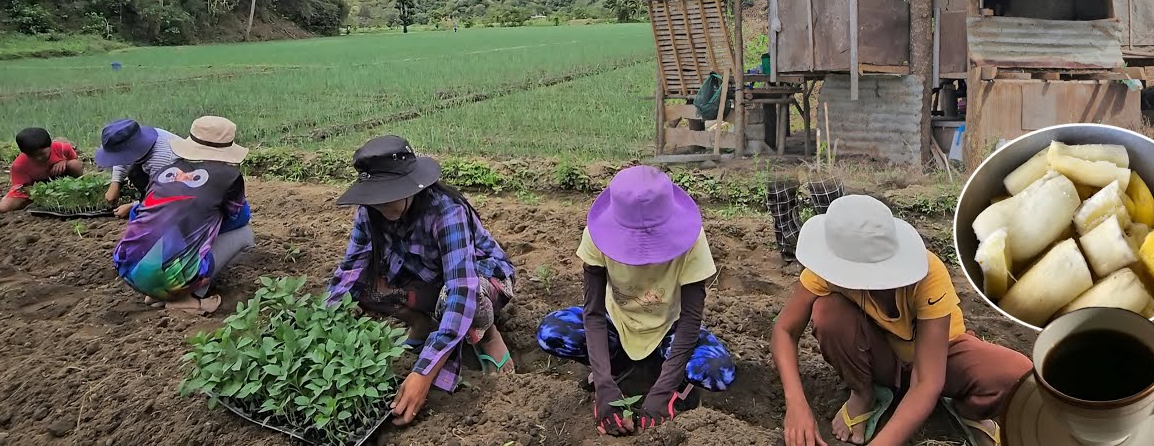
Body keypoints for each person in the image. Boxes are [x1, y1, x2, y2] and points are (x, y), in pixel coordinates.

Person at [771, 195, 1031, 446]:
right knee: (828, 312)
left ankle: (969, 412)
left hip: (937, 358)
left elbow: (927, 380)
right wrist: (796, 405)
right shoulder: (825, 272)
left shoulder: (928, 274)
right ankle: (863, 394)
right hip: (879, 357)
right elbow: (785, 330)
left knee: (1018, 376)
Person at [326, 135, 516, 428]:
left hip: (478, 280)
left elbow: (461, 289)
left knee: (465, 299)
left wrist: (423, 373)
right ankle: (423, 324)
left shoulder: (445, 210)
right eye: (377, 197)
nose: (383, 204)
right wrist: (320, 329)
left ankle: (490, 340)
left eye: (389, 194)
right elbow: (349, 270)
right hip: (424, 280)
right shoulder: (369, 212)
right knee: (360, 289)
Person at [536, 165, 737, 436]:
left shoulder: (692, 239)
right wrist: (604, 386)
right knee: (552, 332)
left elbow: (690, 318)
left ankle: (667, 379)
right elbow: (593, 313)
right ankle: (618, 372)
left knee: (717, 372)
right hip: (617, 325)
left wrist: (663, 392)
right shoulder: (597, 235)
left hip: (670, 330)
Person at [112, 116, 256, 315]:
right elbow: (239, 218)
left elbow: (140, 213)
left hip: (126, 268)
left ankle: (156, 293)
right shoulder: (229, 177)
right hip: (173, 279)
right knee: (245, 235)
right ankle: (188, 299)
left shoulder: (165, 169)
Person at [95, 119, 180, 217]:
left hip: (182, 189)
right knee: (135, 172)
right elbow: (121, 157)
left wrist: (134, 206)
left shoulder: (161, 162)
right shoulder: (142, 139)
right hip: (166, 180)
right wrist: (115, 183)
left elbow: (166, 197)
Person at [0, 127, 84, 213]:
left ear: (50, 145)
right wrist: (40, 192)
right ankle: (38, 203)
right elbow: (22, 188)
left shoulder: (62, 148)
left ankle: (76, 189)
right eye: (32, 156)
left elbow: (75, 161)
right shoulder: (18, 166)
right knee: (2, 208)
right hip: (36, 189)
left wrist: (64, 162)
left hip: (62, 181)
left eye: (41, 154)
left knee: (74, 165)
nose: (38, 158)